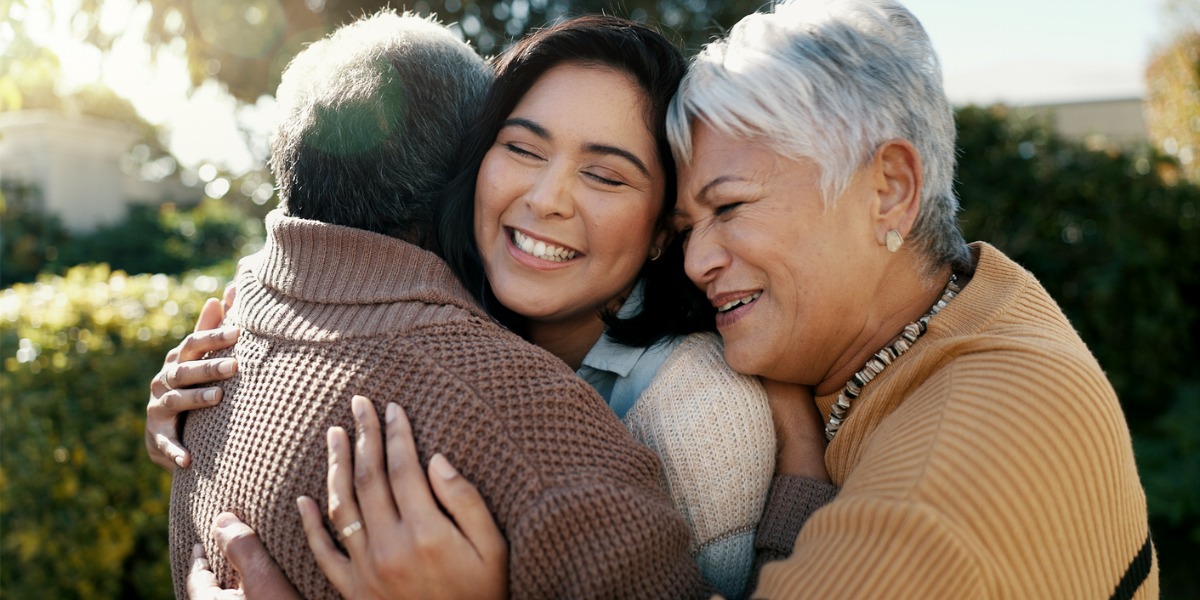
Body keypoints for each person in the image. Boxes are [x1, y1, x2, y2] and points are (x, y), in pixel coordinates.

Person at [151, 14, 803, 600]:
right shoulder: (430, 325)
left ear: (665, 228)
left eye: (605, 174)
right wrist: (195, 396)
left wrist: (800, 458)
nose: (548, 198)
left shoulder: (701, 412)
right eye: (522, 148)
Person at [664, 0, 1158, 596]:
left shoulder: (964, 455)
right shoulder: (963, 316)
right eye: (687, 228)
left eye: (730, 206)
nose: (695, 262)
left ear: (890, 191)